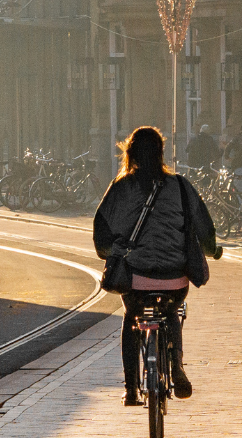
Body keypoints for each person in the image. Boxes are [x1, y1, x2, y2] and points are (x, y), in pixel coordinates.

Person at [93, 126, 221, 404]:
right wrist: (213, 251)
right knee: (172, 309)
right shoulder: (181, 186)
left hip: (136, 277)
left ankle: (130, 389)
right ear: (162, 153)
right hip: (175, 276)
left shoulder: (120, 187)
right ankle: (176, 368)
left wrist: (112, 251)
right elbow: (205, 230)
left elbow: (101, 235)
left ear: (130, 154)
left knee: (131, 318)